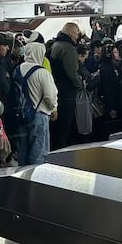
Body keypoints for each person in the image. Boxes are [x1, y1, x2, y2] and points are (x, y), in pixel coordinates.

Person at [15, 42, 58, 166]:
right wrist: (54, 108)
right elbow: (49, 97)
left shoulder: (18, 69)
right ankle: (34, 180)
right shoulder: (42, 72)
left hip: (20, 115)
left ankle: (21, 178)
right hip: (39, 115)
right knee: (39, 152)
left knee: (22, 150)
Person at [50, 22, 83, 150]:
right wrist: (79, 85)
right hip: (67, 92)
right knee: (64, 128)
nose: (78, 36)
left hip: (58, 90)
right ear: (70, 33)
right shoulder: (68, 48)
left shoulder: (56, 45)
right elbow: (72, 72)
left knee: (57, 129)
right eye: (76, 32)